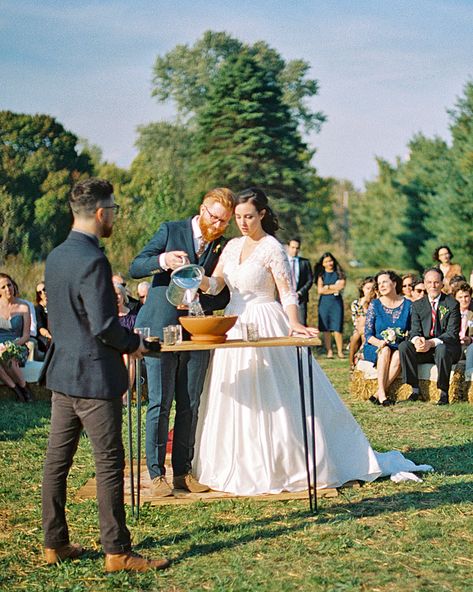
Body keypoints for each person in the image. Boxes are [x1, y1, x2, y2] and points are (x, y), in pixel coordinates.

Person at [194, 188, 429, 496]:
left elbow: (288, 292)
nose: (243, 222)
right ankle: (236, 462)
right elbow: (216, 284)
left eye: (249, 216)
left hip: (265, 319)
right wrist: (194, 277)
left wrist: (293, 322)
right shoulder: (232, 246)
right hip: (234, 322)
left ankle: (285, 460)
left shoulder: (271, 248)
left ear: (262, 214)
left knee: (276, 392)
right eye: (238, 217)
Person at [40, 178, 169, 572]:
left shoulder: (56, 256)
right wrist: (137, 344)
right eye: (113, 209)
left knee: (56, 464)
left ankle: (54, 543)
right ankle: (117, 552)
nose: (113, 215)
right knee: (109, 463)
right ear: (100, 213)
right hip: (95, 379)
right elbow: (103, 326)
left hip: (62, 375)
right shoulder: (94, 260)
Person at [129, 187, 235, 497]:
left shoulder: (222, 247)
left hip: (199, 330)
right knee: (160, 403)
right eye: (214, 218)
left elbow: (225, 293)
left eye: (223, 222)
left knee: (190, 403)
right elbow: (136, 267)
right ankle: (156, 475)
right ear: (202, 209)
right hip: (160, 328)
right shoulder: (170, 229)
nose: (216, 227)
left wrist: (207, 285)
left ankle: (183, 473)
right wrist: (163, 259)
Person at [399, 267, 461, 405]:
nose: (433, 286)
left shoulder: (452, 304)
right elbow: (414, 331)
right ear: (425, 283)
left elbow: (451, 333)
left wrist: (431, 343)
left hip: (447, 349)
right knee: (404, 346)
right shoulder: (417, 305)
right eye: (429, 282)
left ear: (442, 283)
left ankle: (444, 393)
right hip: (425, 349)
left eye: (436, 282)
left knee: (441, 349)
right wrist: (417, 341)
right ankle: (415, 389)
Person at [363, 271, 411, 406]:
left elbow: (412, 330)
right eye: (379, 283)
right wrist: (380, 343)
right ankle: (383, 395)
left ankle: (378, 393)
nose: (381, 286)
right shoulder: (375, 305)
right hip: (375, 346)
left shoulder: (408, 305)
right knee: (385, 351)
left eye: (384, 282)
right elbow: (368, 335)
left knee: (397, 355)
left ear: (394, 283)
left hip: (397, 346)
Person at [0, 273, 33, 401]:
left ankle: (26, 390)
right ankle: (17, 391)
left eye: (9, 285)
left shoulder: (24, 307)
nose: (7, 289)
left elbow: (26, 336)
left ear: (13, 286)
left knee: (8, 357)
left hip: (18, 345)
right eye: (3, 287)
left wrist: (10, 345)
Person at [314, 252, 346, 358]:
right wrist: (332, 287)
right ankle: (329, 351)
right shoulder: (321, 275)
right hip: (324, 304)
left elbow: (341, 286)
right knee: (326, 328)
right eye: (326, 261)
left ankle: (340, 351)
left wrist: (326, 287)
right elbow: (320, 290)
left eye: (330, 261)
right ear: (323, 264)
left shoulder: (339, 273)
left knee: (337, 327)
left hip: (336, 303)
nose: (329, 263)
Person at [349, 276, 376, 370]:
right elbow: (355, 320)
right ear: (363, 289)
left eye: (372, 288)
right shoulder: (356, 303)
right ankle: (351, 362)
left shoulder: (376, 303)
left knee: (364, 334)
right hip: (359, 328)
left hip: (371, 329)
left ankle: (360, 356)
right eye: (367, 288)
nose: (370, 291)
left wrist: (366, 305)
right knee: (356, 335)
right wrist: (363, 304)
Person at [286, 238, 313, 324]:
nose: (295, 250)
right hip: (285, 298)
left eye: (297, 248)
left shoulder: (305, 262)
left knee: (301, 324)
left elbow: (310, 280)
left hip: (301, 299)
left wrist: (300, 293)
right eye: (292, 247)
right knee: (285, 324)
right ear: (288, 247)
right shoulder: (283, 261)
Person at [452, 282, 473, 368]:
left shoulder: (471, 312)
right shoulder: (450, 313)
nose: (464, 300)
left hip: (469, 346)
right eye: (460, 297)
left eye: (466, 296)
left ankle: (469, 376)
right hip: (454, 345)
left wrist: (470, 339)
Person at [34, 281, 52, 354]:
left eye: (44, 289)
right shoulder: (38, 309)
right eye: (40, 292)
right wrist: (50, 336)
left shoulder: (55, 304)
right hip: (44, 336)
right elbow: (41, 328)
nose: (43, 293)